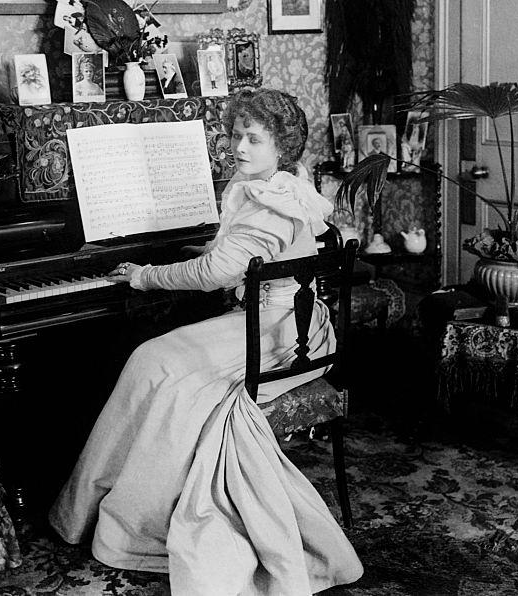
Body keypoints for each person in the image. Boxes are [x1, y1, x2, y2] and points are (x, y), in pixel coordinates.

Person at [49, 89, 363, 594]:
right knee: (156, 363)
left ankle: (121, 515)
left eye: (253, 139)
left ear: (280, 148)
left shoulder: (272, 202)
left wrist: (147, 274)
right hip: (278, 320)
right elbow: (231, 252)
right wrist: (199, 248)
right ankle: (102, 499)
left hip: (284, 335)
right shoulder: (279, 185)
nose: (238, 146)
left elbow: (217, 270)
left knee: (155, 361)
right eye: (236, 134)